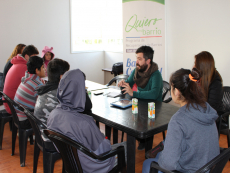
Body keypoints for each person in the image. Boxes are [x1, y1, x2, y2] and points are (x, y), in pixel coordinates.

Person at [47, 69, 126, 173]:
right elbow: (104, 150)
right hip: (93, 167)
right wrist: (102, 137)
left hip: (73, 164)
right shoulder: (84, 122)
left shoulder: (53, 115)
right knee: (126, 146)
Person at [142, 68, 220, 173]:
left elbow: (167, 165)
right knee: (162, 154)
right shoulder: (206, 108)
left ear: (177, 91)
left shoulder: (178, 120)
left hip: (192, 169)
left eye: (171, 88)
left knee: (147, 164)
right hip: (208, 167)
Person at [118, 45, 163, 150]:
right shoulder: (136, 71)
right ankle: (140, 140)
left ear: (148, 61)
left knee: (143, 120)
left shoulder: (155, 74)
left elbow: (154, 94)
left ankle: (146, 145)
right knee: (128, 117)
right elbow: (128, 84)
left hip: (154, 107)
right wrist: (123, 84)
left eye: (139, 59)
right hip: (141, 104)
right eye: (136, 58)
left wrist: (134, 93)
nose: (136, 62)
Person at [3, 45, 39, 114]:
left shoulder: (18, 63)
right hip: (13, 105)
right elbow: (34, 83)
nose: (35, 60)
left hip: (9, 102)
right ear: (26, 56)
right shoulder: (24, 67)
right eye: (33, 57)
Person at [34, 58, 70, 124]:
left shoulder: (44, 88)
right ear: (61, 77)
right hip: (50, 132)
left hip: (40, 130)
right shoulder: (60, 93)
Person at [14, 56, 45, 129]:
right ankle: (40, 138)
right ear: (37, 70)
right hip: (25, 120)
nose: (45, 69)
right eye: (43, 67)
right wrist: (42, 86)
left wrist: (41, 84)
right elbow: (41, 106)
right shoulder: (37, 85)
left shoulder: (26, 78)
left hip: (17, 116)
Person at [194, 51, 223, 115]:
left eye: (196, 64)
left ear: (202, 67)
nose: (194, 66)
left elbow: (212, 107)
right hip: (201, 111)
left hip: (212, 115)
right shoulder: (199, 79)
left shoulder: (216, 83)